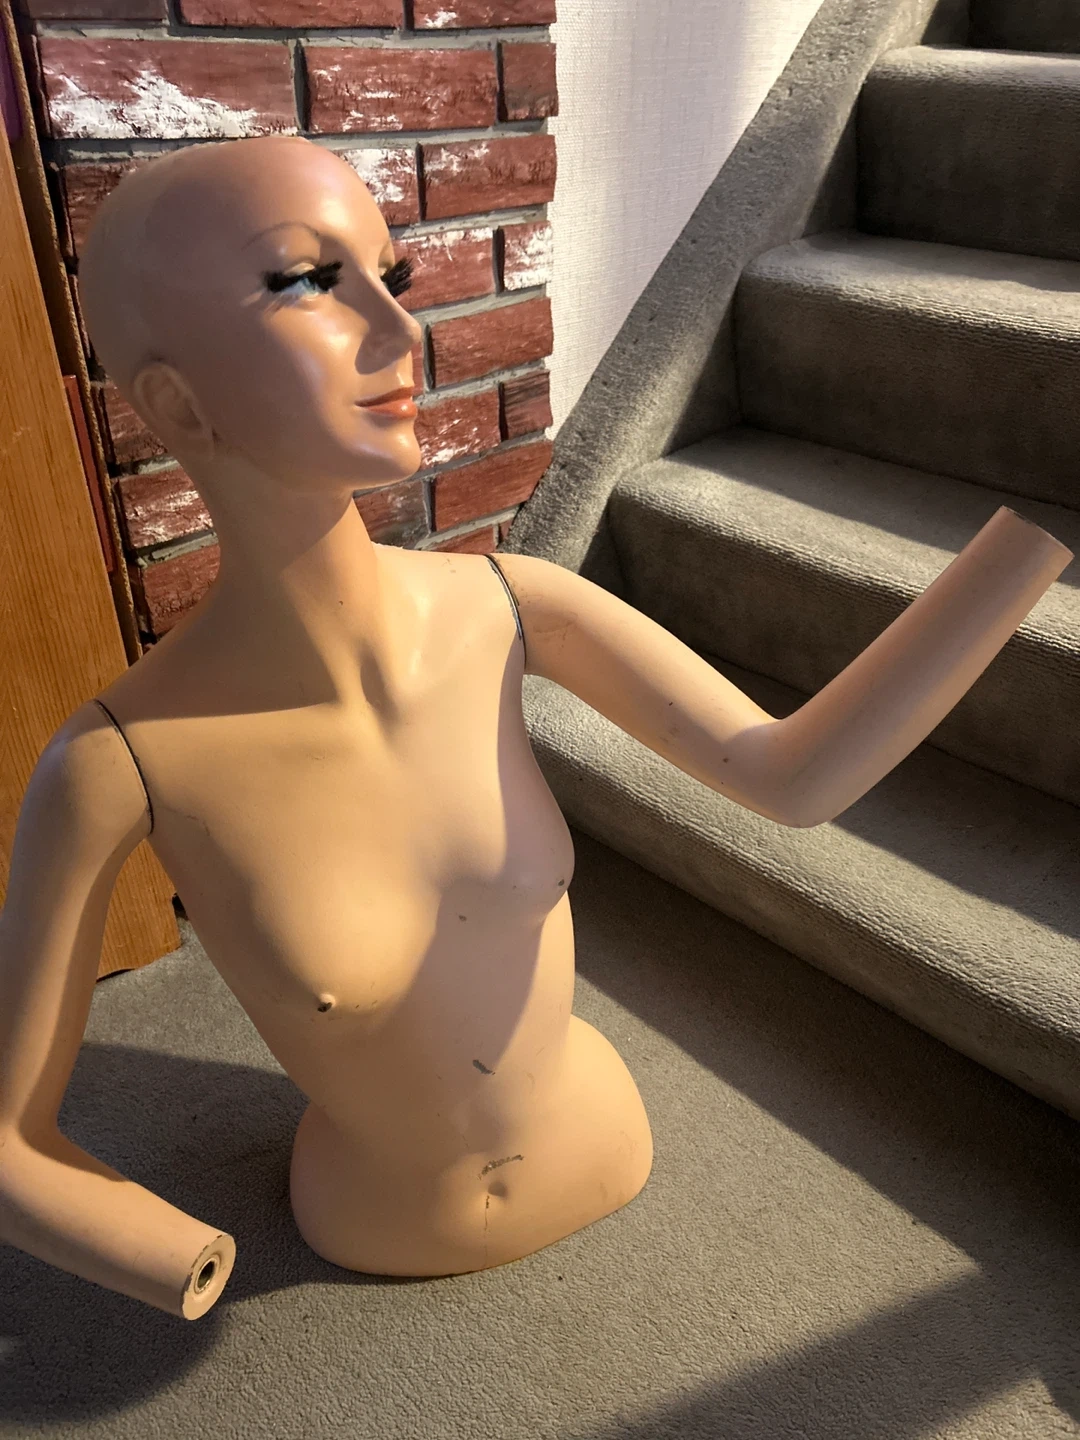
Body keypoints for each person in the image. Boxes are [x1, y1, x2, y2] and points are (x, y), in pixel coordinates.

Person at [0, 135, 1071, 1320]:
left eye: (392, 277)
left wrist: (1035, 545)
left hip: (601, 1135)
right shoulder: (117, 761)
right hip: (373, 1212)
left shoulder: (510, 605)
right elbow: (8, 1137)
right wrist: (157, 1249)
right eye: (307, 282)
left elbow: (793, 777)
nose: (400, 334)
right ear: (173, 400)